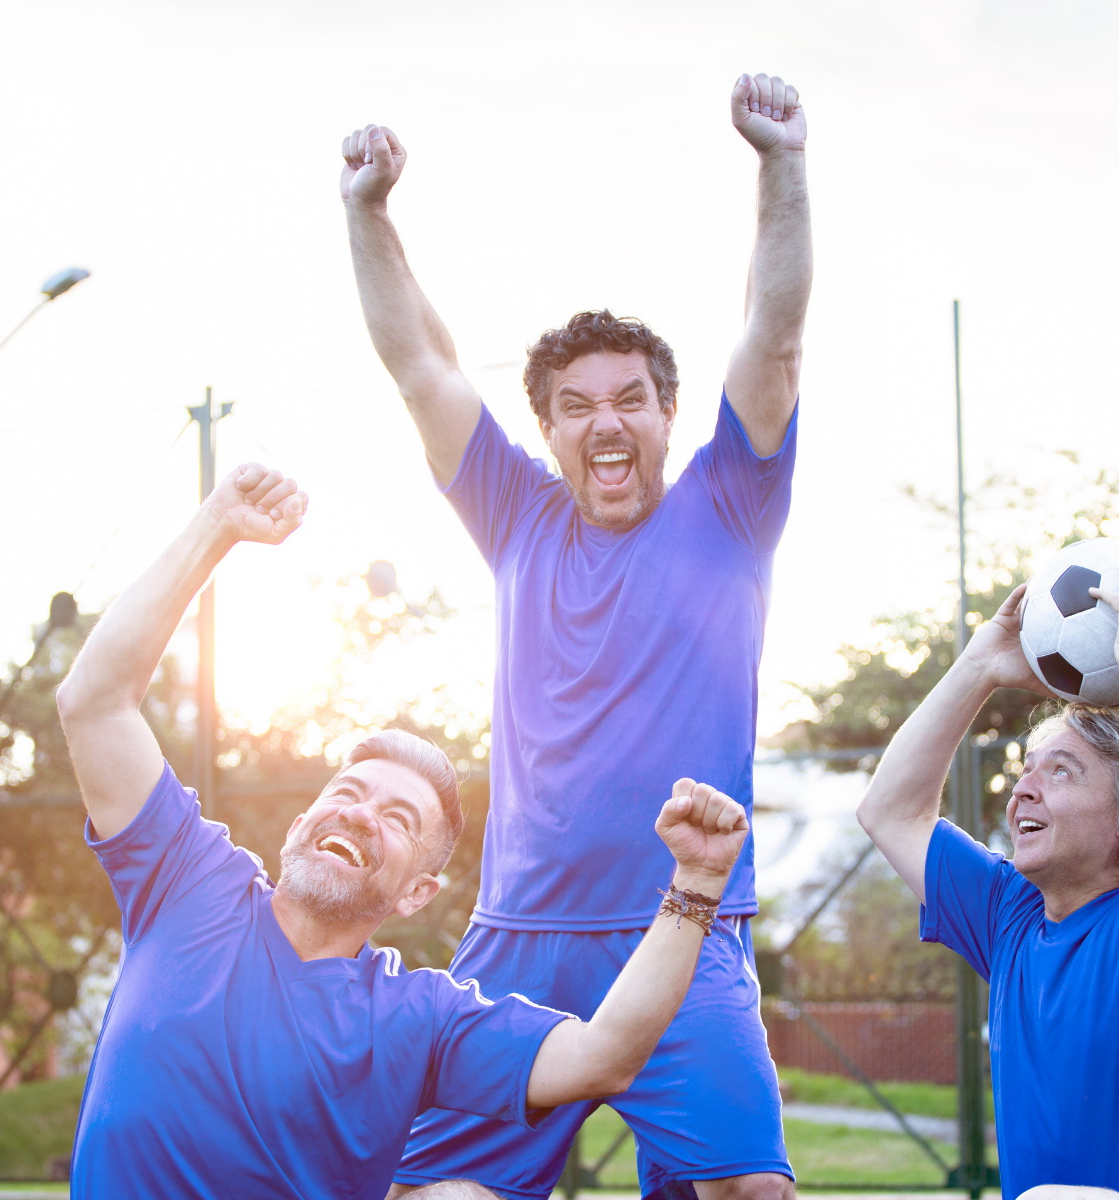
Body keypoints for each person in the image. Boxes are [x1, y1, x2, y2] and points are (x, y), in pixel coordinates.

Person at [340, 71, 812, 1200]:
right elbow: (421, 364)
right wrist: (367, 213)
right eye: (579, 405)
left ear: (665, 415)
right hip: (520, 943)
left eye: (630, 398)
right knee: (440, 1198)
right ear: (547, 429)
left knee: (746, 1192)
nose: (608, 420)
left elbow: (775, 336)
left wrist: (781, 165)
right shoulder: (515, 519)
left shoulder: (729, 508)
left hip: (684, 934)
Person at [56, 462, 753, 1200]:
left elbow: (602, 1055)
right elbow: (94, 702)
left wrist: (697, 886)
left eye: (396, 817)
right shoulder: (191, 885)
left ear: (418, 891)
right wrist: (217, 526)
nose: (359, 812)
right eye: (349, 792)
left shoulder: (418, 1017)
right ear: (299, 827)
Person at [855, 565, 1119, 1200]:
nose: (1025, 786)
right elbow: (888, 811)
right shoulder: (1009, 917)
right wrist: (979, 666)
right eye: (1027, 768)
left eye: (1062, 770)